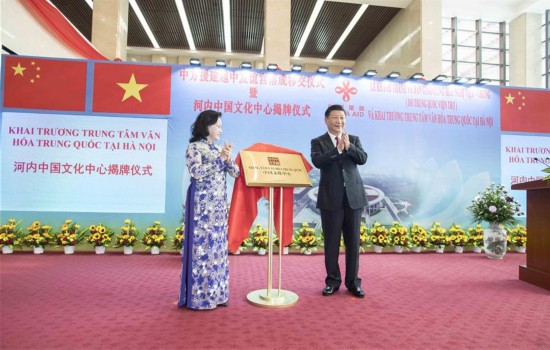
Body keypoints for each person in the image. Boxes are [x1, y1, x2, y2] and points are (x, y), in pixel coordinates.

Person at [178, 110, 240, 310]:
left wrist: (227, 157)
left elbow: (236, 173)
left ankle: (217, 294)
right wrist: (220, 159)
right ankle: (201, 297)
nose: (221, 129)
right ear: (207, 126)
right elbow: (196, 172)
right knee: (203, 250)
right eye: (218, 126)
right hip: (202, 209)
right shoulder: (194, 147)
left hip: (219, 210)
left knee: (217, 251)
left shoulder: (216, 149)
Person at [310, 104, 368, 298]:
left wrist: (348, 147)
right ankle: (332, 281)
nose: (339, 121)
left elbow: (363, 159)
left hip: (353, 198)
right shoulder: (318, 141)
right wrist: (337, 149)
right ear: (327, 120)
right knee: (332, 244)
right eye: (335, 117)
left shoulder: (354, 139)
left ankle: (353, 283)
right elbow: (318, 162)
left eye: (342, 117)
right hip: (331, 200)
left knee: (353, 243)